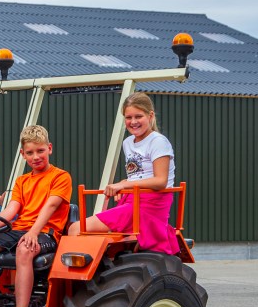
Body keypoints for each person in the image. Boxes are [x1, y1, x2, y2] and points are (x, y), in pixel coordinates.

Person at [0, 125, 72, 307]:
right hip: (20, 229)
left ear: (49, 148)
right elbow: (12, 210)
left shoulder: (61, 176)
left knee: (24, 248)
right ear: (23, 154)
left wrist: (33, 232)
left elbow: (50, 207)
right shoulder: (22, 181)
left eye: (40, 151)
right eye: (30, 152)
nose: (35, 157)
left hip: (46, 232)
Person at [67, 92, 180, 255]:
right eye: (128, 117)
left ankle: (79, 270)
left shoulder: (158, 141)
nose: (133, 122)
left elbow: (160, 181)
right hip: (131, 201)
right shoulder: (128, 142)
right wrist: (123, 184)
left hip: (149, 205)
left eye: (138, 116)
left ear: (150, 116)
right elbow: (139, 175)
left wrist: (125, 185)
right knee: (83, 231)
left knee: (76, 229)